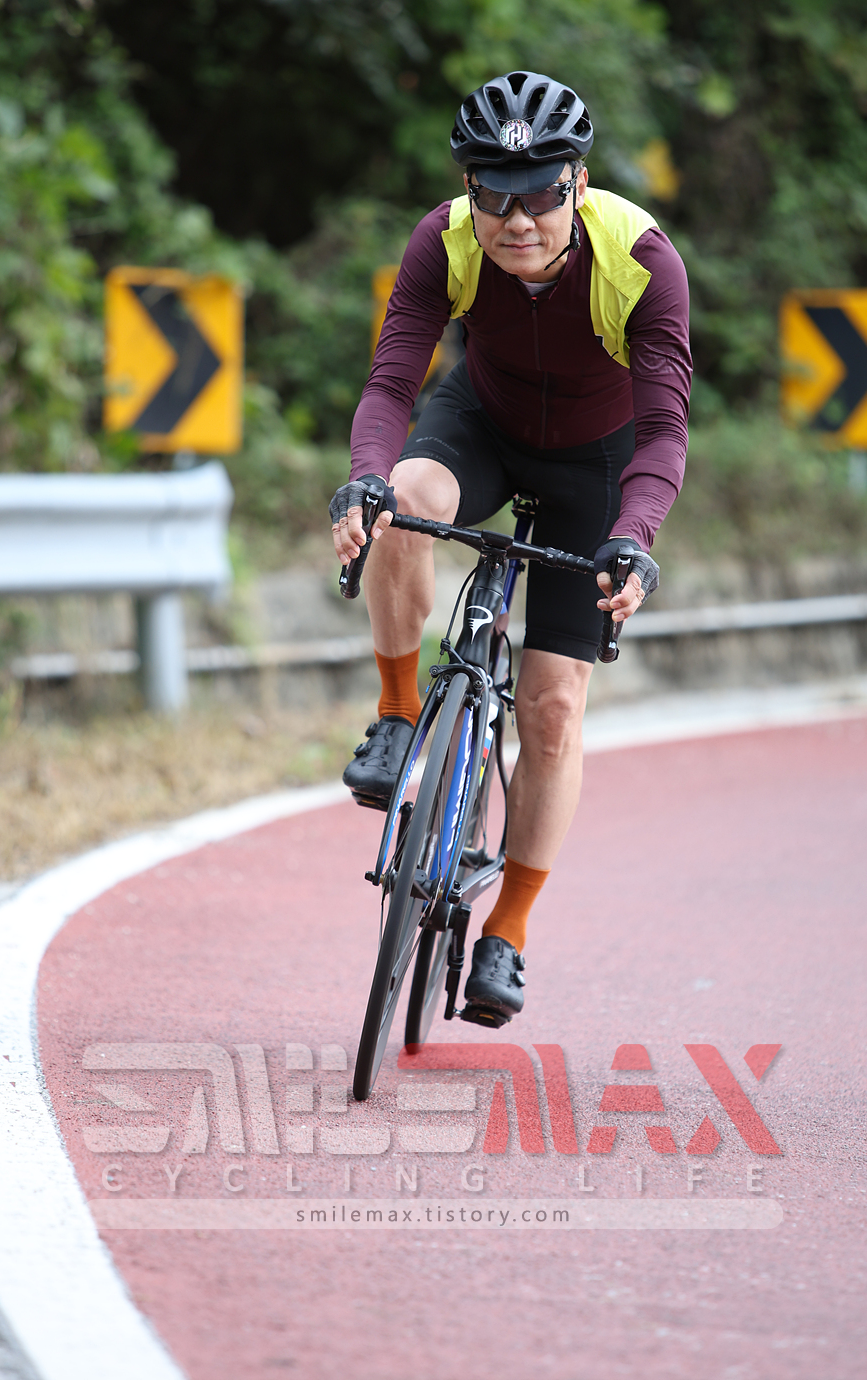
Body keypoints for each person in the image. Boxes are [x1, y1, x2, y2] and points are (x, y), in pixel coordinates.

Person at [329, 71, 691, 1025]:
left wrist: (633, 539)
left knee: (554, 706)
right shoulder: (443, 240)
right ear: (470, 190)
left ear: (579, 184)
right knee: (405, 499)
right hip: (481, 427)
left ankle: (509, 931)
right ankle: (398, 714)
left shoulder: (641, 260)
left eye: (541, 195)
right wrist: (366, 477)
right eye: (495, 195)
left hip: (595, 466)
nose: (518, 219)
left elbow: (664, 431)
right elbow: (392, 383)